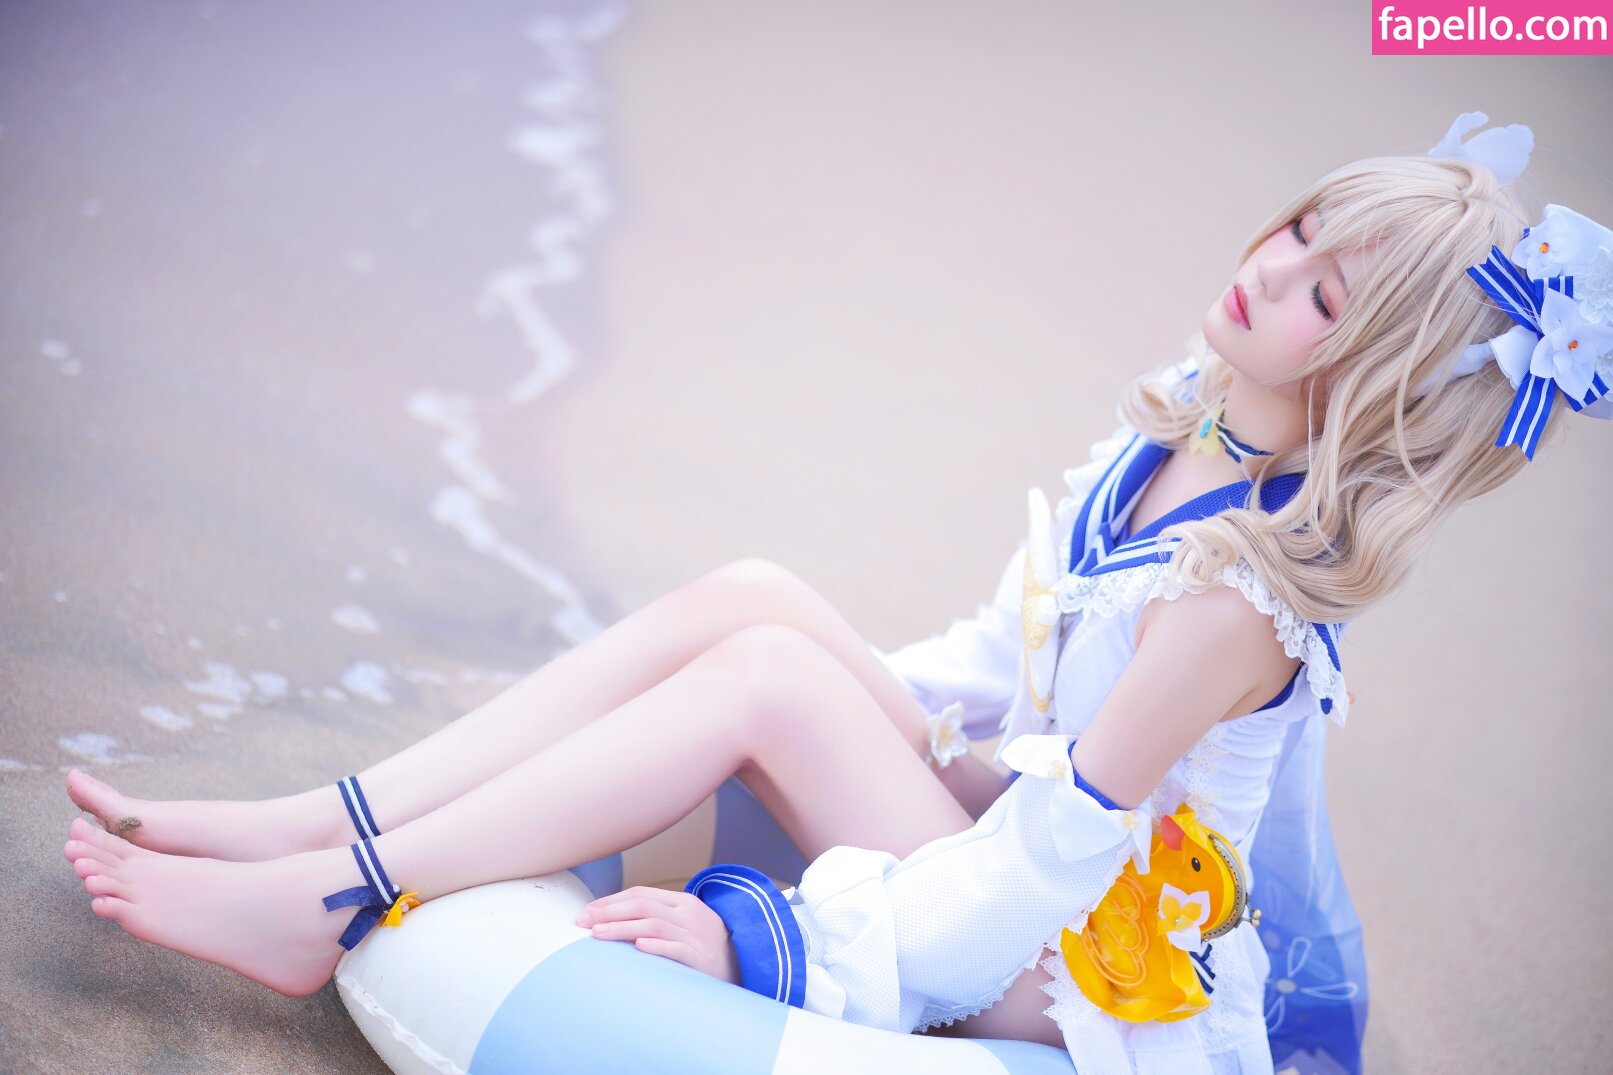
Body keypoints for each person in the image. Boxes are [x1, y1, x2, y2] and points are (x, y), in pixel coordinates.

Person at [62, 113, 1611, 1073]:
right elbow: (993, 661)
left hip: (1082, 966)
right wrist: (842, 695)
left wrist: (776, 946)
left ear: (1369, 386)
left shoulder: (1236, 606)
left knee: (773, 681)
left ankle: (327, 907)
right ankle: (311, 826)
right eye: (1298, 230)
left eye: (1321, 292)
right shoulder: (1187, 421)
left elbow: (1045, 864)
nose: (1268, 269)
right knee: (757, 599)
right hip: (1021, 825)